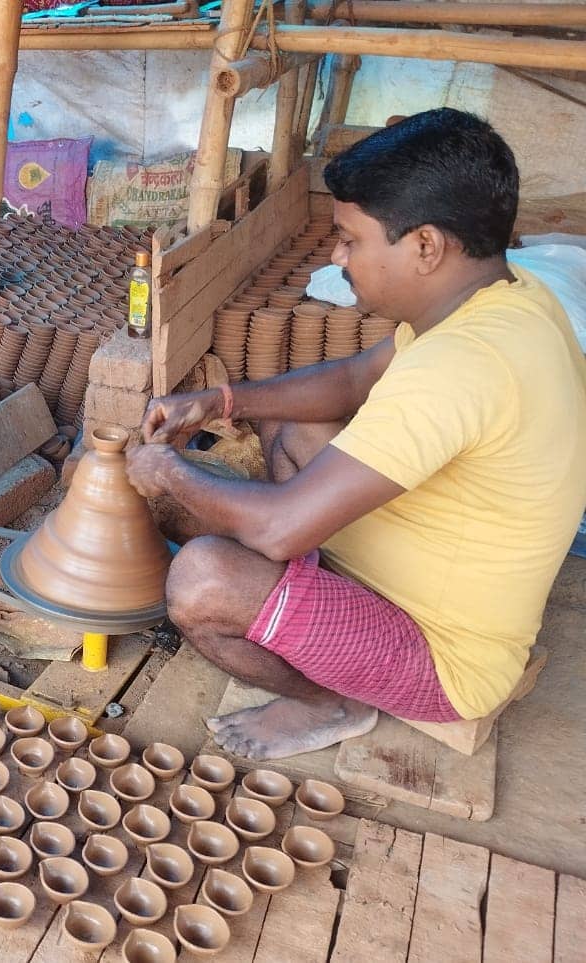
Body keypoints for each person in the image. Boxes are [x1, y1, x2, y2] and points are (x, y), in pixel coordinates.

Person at [124, 108, 586, 760]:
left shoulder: (463, 367)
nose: (337, 257)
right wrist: (220, 400)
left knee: (203, 580)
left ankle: (331, 702)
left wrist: (171, 472)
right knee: (290, 416)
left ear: (426, 246)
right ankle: (303, 600)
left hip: (444, 656)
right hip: (432, 557)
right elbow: (353, 379)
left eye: (351, 240)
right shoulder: (504, 297)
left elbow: (279, 531)